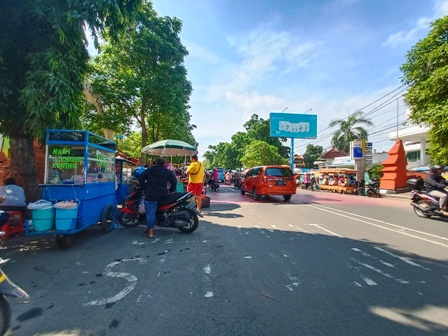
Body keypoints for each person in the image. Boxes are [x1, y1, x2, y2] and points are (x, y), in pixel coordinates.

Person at [138, 157, 177, 238]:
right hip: (163, 195)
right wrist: (171, 190)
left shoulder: (149, 170)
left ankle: (151, 232)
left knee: (150, 213)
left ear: (156, 163)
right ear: (164, 164)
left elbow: (141, 178)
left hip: (151, 195)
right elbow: (174, 181)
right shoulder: (167, 171)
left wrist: (143, 187)